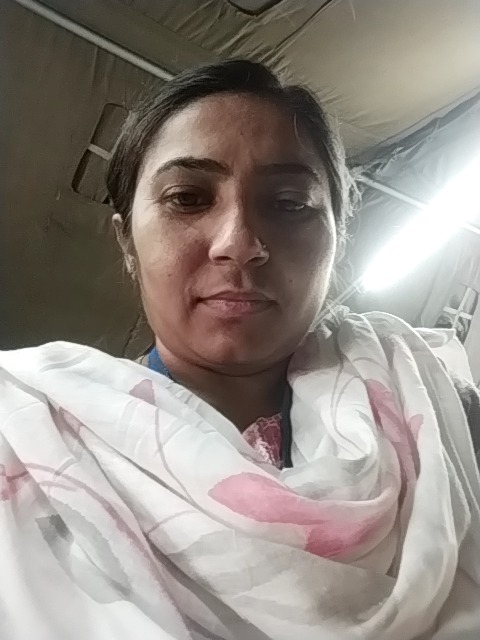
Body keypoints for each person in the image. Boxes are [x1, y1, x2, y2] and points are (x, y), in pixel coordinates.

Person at [1, 60, 479, 640]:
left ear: (339, 235)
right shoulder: (29, 434)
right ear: (127, 241)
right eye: (187, 197)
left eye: (290, 202)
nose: (239, 244)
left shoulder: (446, 423)